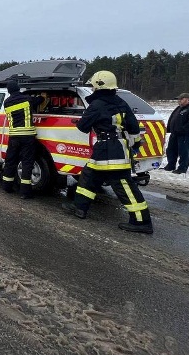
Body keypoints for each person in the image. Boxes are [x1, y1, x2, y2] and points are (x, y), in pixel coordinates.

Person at [65, 70, 153, 234]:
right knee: (88, 177)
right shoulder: (121, 102)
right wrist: (133, 147)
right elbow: (134, 127)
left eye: (93, 86)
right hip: (115, 147)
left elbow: (83, 127)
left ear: (99, 86)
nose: (91, 89)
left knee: (123, 185)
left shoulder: (97, 105)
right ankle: (79, 207)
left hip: (109, 149)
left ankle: (142, 221)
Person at [1, 80, 47, 199]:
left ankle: (7, 187)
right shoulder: (27, 99)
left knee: (10, 161)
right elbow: (39, 100)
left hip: (14, 137)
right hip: (27, 137)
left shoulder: (6, 102)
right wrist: (42, 96)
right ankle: (25, 192)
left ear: (9, 91)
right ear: (18, 88)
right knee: (27, 162)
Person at [164, 92, 189, 174]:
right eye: (179, 99)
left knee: (183, 151)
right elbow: (172, 119)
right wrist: (169, 129)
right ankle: (170, 165)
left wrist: (182, 130)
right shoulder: (179, 108)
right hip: (175, 134)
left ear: (188, 100)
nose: (179, 101)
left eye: (181, 99)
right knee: (171, 150)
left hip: (185, 135)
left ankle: (182, 168)